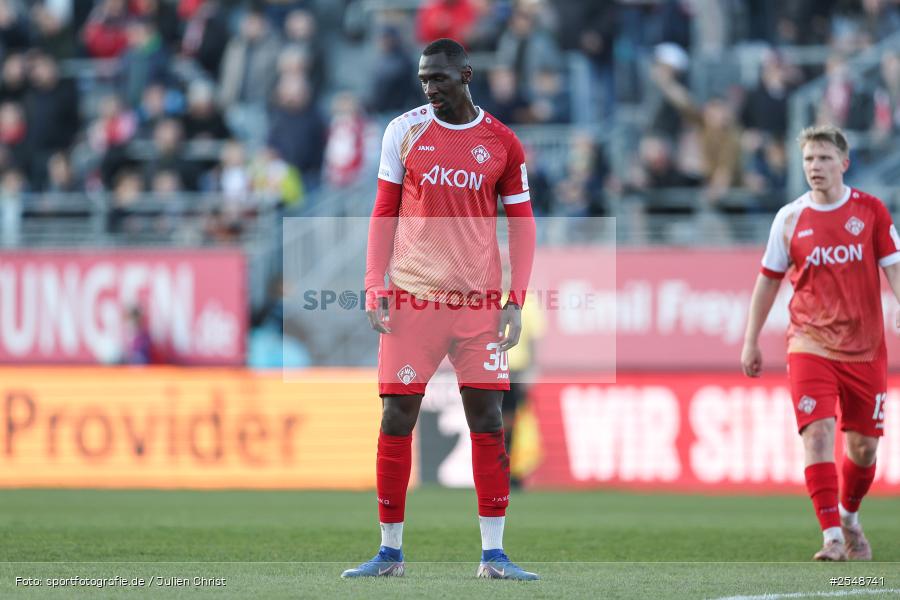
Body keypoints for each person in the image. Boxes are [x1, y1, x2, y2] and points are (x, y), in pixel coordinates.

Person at [342, 38, 537, 580]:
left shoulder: (501, 142)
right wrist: (373, 285)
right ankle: (389, 552)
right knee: (396, 416)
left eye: (440, 78)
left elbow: (523, 225)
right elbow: (383, 211)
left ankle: (494, 555)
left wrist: (514, 301)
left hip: (477, 304)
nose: (430, 87)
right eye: (424, 78)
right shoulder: (403, 131)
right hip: (412, 298)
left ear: (466, 75)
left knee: (488, 419)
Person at [741, 124, 900, 561]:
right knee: (817, 434)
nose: (815, 166)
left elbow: (894, 267)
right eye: (809, 159)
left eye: (824, 158)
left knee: (864, 448)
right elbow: (767, 282)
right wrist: (751, 339)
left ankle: (849, 518)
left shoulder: (871, 212)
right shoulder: (789, 218)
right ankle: (831, 535)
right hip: (809, 342)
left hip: (866, 347)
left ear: (844, 164)